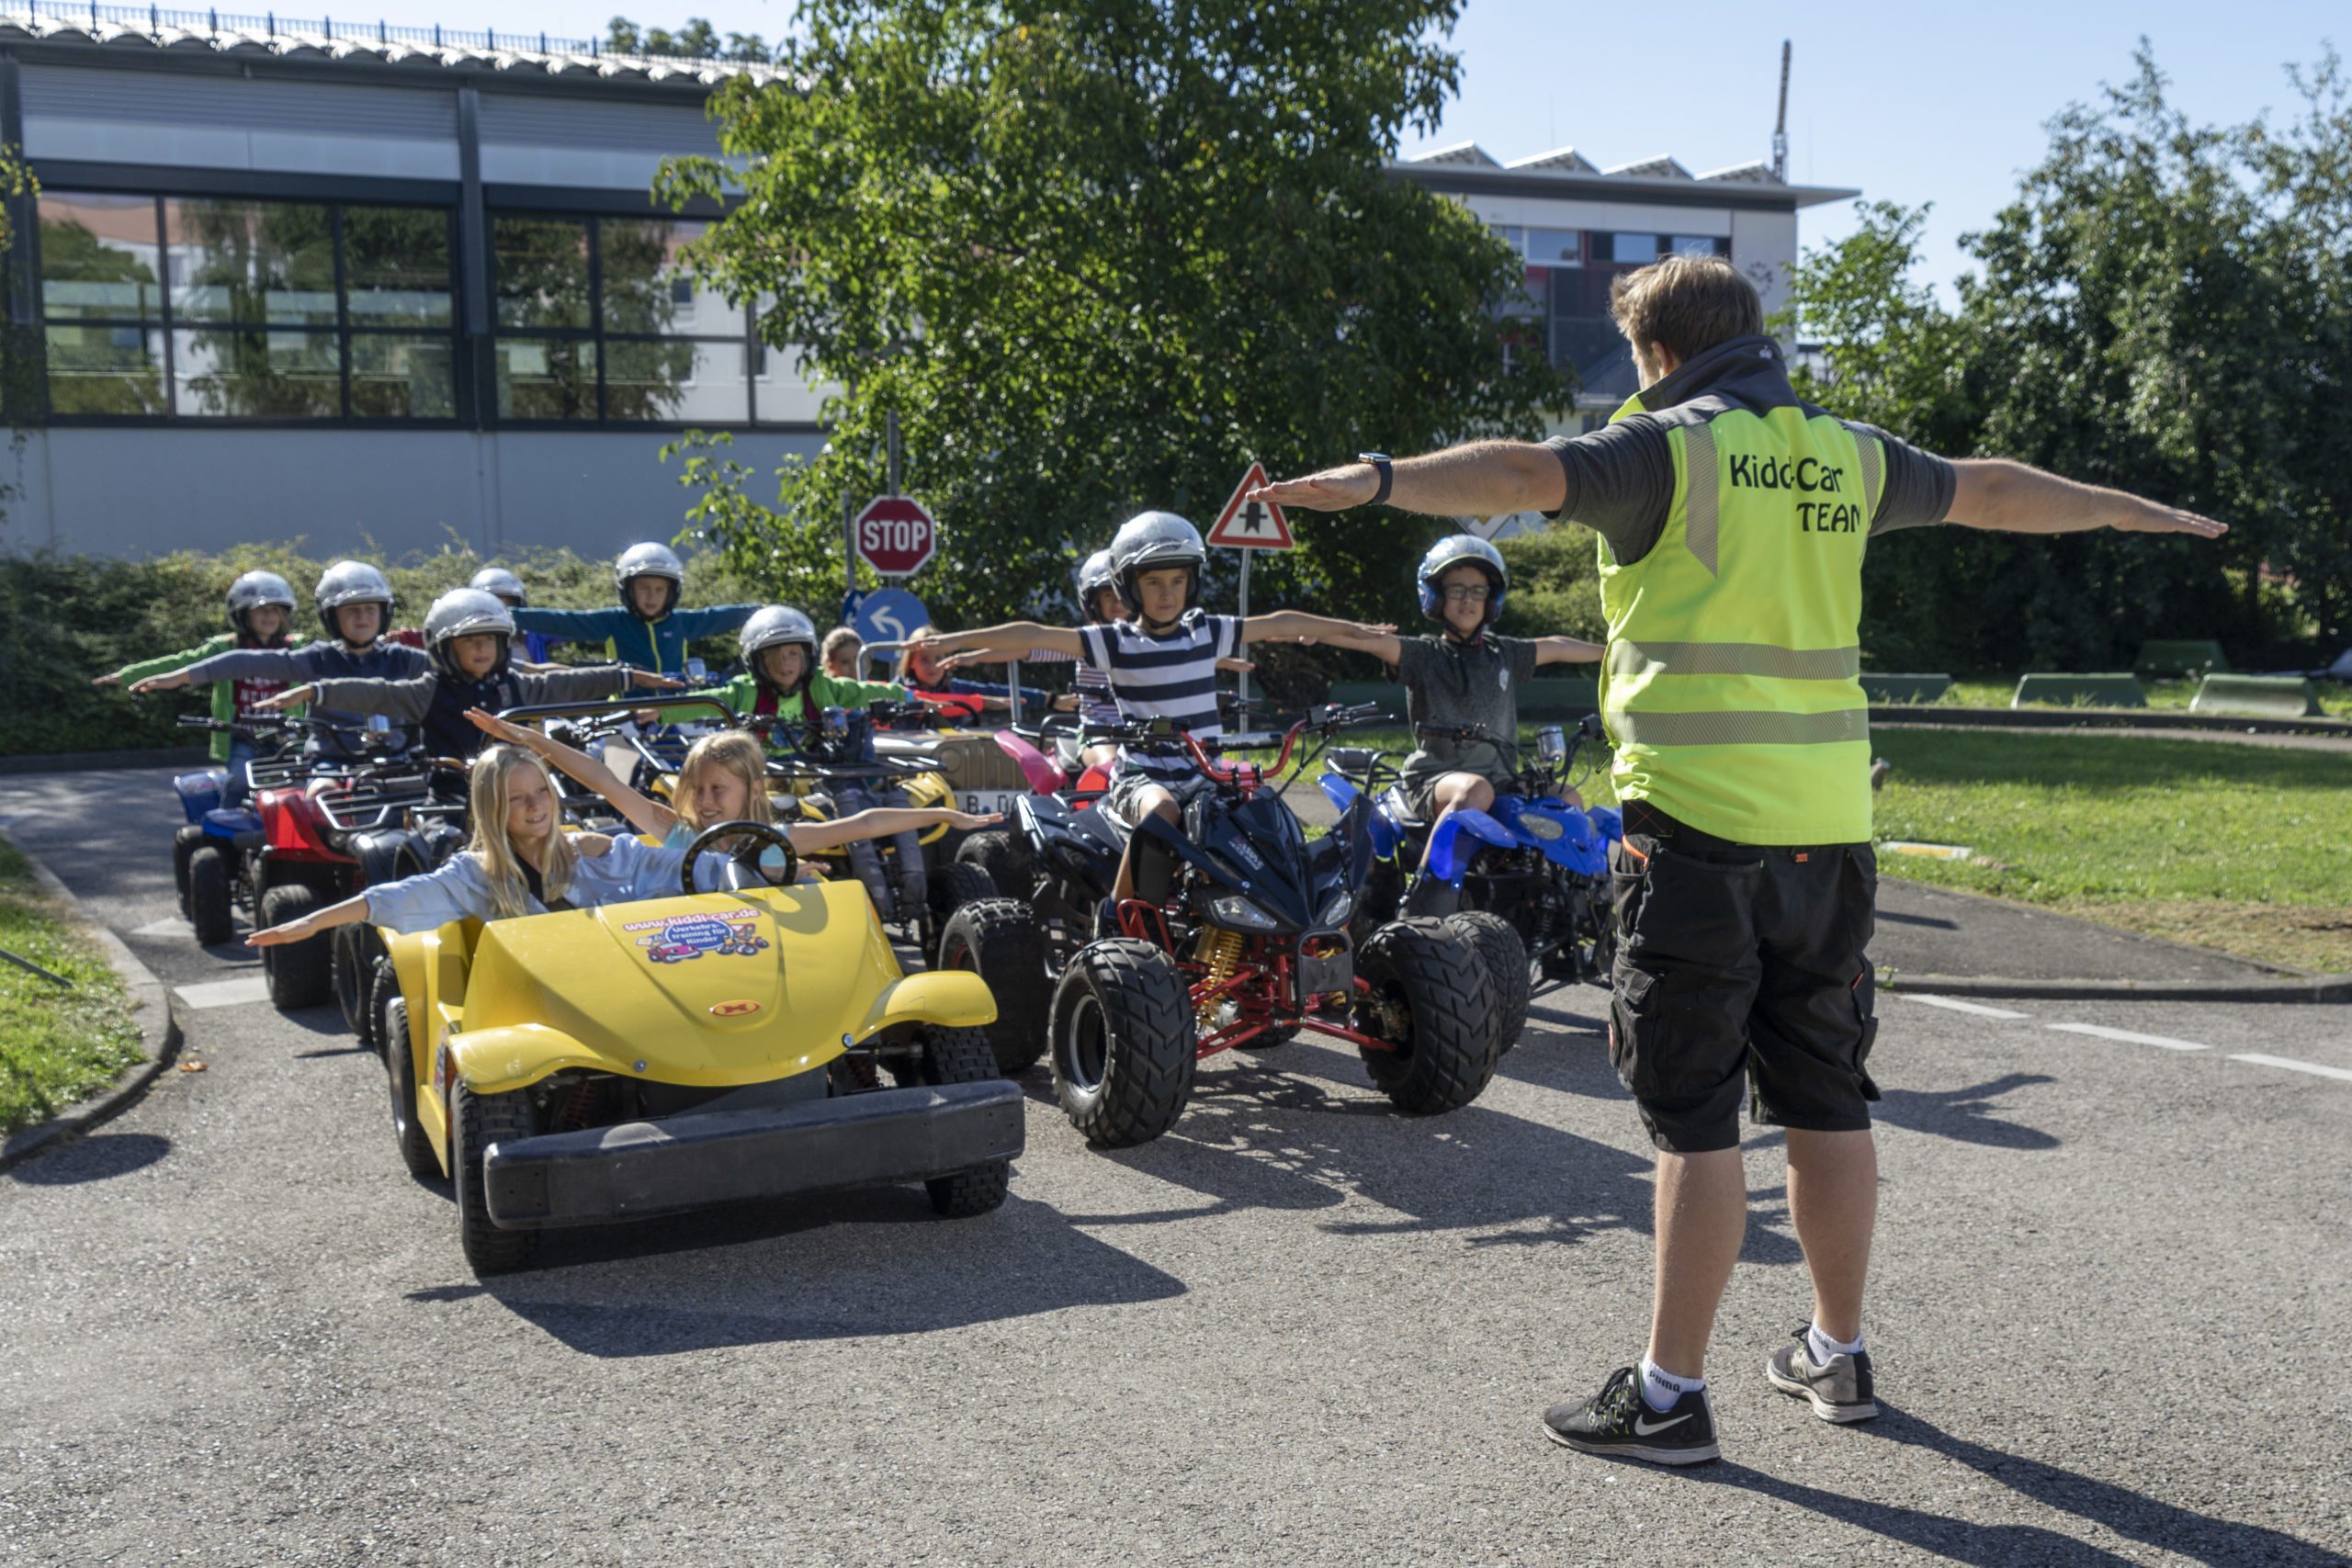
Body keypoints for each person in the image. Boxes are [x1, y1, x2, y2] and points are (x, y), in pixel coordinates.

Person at [1255, 253, 2227, 1466]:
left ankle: (1669, 1395)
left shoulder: (1669, 450)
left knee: (1694, 1117)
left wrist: (1380, 477)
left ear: (1656, 353)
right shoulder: (1845, 453)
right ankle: (1839, 1347)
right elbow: (1991, 488)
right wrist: (2132, 507)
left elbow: (1516, 470)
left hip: (1697, 836)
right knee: (1826, 1091)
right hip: (1830, 834)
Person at [919, 510, 1389, 916]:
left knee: (1265, 809)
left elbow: (1283, 623)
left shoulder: (1205, 632)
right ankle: (1118, 914)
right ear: (1130, 587)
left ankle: (1279, 918)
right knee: (1162, 809)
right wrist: (957, 641)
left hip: (1208, 775)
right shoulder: (1115, 641)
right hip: (1143, 778)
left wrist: (1354, 630)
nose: (1168, 594)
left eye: (1178, 581)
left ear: (1192, 582)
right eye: (1154, 583)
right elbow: (1034, 634)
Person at [1309, 534, 1601, 916]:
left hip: (1500, 778)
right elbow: (1370, 641)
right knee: (1475, 791)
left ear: (1491, 600)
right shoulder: (1424, 654)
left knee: (1568, 799)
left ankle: (1562, 906)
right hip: (1435, 777)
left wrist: (1617, 651)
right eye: (1457, 589)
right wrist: (1320, 630)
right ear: (1435, 596)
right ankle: (1424, 897)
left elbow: (1559, 645)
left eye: (1477, 591)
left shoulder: (1505, 653)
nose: (1467, 599)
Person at [243, 745, 775, 945]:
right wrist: (313, 921)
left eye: (542, 792)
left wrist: (768, 874)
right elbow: (395, 898)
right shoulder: (474, 876)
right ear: (494, 809)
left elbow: (686, 868)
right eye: (519, 799)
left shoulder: (592, 852)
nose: (536, 806)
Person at [465, 710, 1001, 878]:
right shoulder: (674, 832)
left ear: (752, 790)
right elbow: (603, 780)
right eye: (695, 789)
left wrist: (945, 816)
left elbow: (860, 827)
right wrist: (531, 740)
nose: (704, 800)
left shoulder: (773, 843)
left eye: (718, 789)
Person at [254, 589, 678, 760]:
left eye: (490, 641)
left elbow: (571, 683)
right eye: (470, 642)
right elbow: (373, 693)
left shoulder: (517, 684)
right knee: (434, 844)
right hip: (452, 797)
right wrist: (313, 690)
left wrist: (631, 677)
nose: (482, 649)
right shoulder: (427, 690)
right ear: (444, 648)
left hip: (518, 793)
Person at [130, 560, 432, 762]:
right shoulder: (318, 657)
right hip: (331, 764)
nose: (362, 617)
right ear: (331, 617)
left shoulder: (405, 659)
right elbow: (245, 662)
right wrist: (179, 676)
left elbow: (454, 673)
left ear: (384, 614)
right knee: (305, 805)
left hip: (397, 762)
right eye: (351, 610)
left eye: (369, 609)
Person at [97, 570, 304, 800]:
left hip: (287, 738)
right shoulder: (225, 648)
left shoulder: (296, 649)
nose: (270, 616)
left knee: (301, 790)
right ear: (242, 614)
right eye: (261, 610)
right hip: (243, 738)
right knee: (237, 783)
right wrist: (128, 675)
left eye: (276, 609)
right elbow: (183, 662)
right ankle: (227, 833)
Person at [505, 542, 757, 679]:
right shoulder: (614, 622)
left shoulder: (682, 623)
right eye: (644, 588)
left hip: (675, 708)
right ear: (627, 590)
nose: (652, 596)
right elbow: (564, 621)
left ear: (672, 593)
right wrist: (505, 615)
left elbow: (720, 615)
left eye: (660, 590)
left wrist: (765, 612)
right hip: (627, 713)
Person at [469, 566, 556, 666]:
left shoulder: (532, 634)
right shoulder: (468, 640)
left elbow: (562, 628)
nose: (502, 613)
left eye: (508, 605)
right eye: (493, 606)